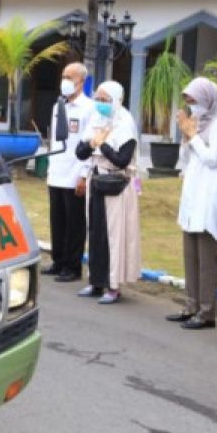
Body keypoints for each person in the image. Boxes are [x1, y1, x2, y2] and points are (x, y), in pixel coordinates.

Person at [167, 77, 217, 330]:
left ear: (208, 98)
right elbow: (186, 160)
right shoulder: (199, 123)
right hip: (193, 196)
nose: (192, 106)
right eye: (188, 101)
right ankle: (191, 305)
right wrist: (187, 137)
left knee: (207, 259)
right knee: (191, 255)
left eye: (194, 101)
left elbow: (212, 158)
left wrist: (193, 136)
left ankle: (207, 312)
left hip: (210, 199)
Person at [74, 81, 141, 303]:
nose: (100, 104)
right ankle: (95, 282)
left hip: (116, 185)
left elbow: (122, 160)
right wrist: (93, 142)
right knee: (95, 234)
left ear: (116, 100)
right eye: (98, 99)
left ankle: (113, 287)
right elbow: (81, 152)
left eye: (105, 100)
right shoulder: (95, 119)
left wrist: (102, 145)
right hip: (96, 182)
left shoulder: (125, 123)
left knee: (113, 236)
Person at [44, 62, 94, 283]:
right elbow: (55, 141)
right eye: (63, 76)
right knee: (57, 221)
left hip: (75, 173)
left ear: (81, 82)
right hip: (57, 171)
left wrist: (84, 175)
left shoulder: (89, 108)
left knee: (74, 224)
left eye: (70, 77)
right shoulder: (58, 106)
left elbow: (89, 145)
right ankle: (58, 261)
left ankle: (73, 267)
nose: (65, 81)